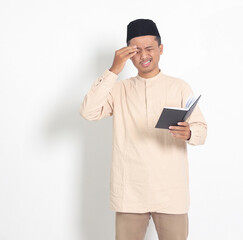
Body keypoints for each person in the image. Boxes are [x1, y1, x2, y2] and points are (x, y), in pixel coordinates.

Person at [80, 19, 207, 240]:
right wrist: (113, 69)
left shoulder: (179, 87)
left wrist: (188, 132)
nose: (143, 55)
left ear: (160, 49)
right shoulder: (119, 89)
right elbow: (89, 112)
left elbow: (201, 130)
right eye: (136, 50)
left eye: (149, 48)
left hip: (170, 192)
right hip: (130, 192)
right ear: (128, 54)